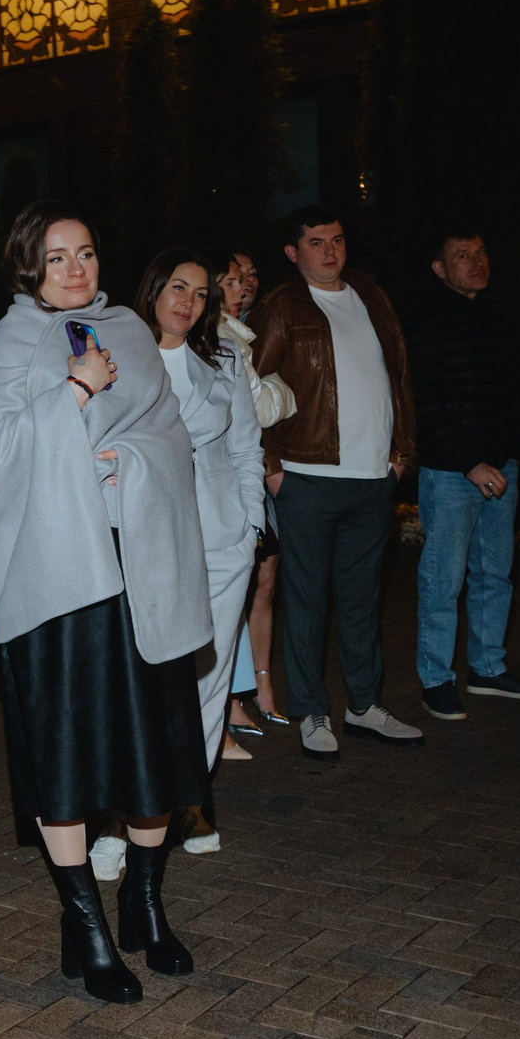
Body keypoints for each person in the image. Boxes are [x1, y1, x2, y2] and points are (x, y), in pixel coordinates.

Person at [0, 203, 211, 1006]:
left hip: (140, 564)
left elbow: (171, 437)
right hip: (57, 578)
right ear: (27, 266)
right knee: (66, 755)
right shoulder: (8, 343)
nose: (75, 269)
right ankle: (86, 921)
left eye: (86, 253)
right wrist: (73, 393)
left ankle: (143, 897)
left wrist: (130, 462)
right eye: (56, 257)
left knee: (157, 745)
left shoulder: (132, 333)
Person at [248, 208, 422, 755]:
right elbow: (248, 388)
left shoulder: (372, 294)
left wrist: (402, 453)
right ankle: (311, 711)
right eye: (316, 242)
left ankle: (365, 706)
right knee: (306, 600)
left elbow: (399, 376)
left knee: (360, 598)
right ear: (292, 252)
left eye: (338, 240)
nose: (330, 251)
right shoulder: (282, 306)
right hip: (307, 477)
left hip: (373, 477)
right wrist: (272, 469)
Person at [124, 249, 262, 857]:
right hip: (147, 540)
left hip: (222, 537)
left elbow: (246, 451)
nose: (187, 302)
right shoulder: (121, 358)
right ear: (154, 290)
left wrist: (252, 528)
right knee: (148, 677)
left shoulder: (226, 360)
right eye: (177, 288)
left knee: (209, 674)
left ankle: (190, 799)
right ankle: (129, 811)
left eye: (201, 293)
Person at [402, 227, 520, 720]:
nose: (477, 262)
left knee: (496, 575)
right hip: (453, 472)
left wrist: (511, 454)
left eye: (481, 252)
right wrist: (469, 462)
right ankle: (436, 679)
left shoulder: (497, 317)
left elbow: (514, 393)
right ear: (440, 269)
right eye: (463, 255)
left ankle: (487, 668)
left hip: (501, 467)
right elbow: (428, 404)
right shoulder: (424, 322)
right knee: (443, 579)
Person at [215, 251, 292, 739]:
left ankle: (259, 687)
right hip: (235, 476)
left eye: (251, 276)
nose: (245, 285)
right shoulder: (222, 336)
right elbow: (262, 407)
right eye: (233, 278)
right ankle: (231, 699)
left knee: (264, 580)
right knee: (237, 586)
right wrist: (282, 390)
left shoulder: (251, 331)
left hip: (259, 472)